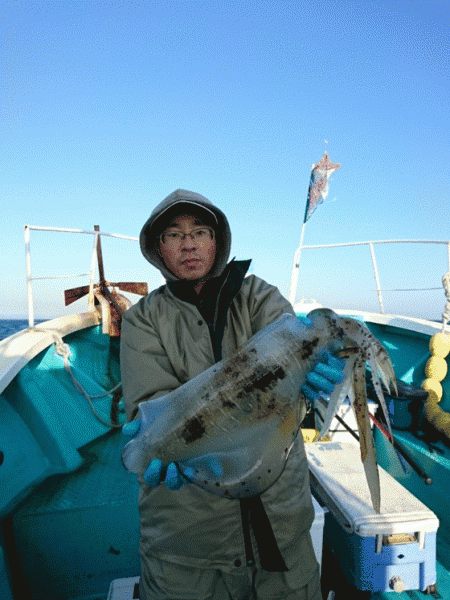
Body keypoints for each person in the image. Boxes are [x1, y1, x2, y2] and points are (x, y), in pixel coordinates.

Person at [120, 189, 344, 600]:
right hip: (188, 547)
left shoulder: (260, 296)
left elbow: (295, 372)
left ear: (217, 241)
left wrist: (313, 386)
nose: (188, 243)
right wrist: (158, 441)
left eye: (199, 231)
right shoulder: (142, 320)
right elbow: (152, 404)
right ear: (158, 250)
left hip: (283, 532)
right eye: (173, 235)